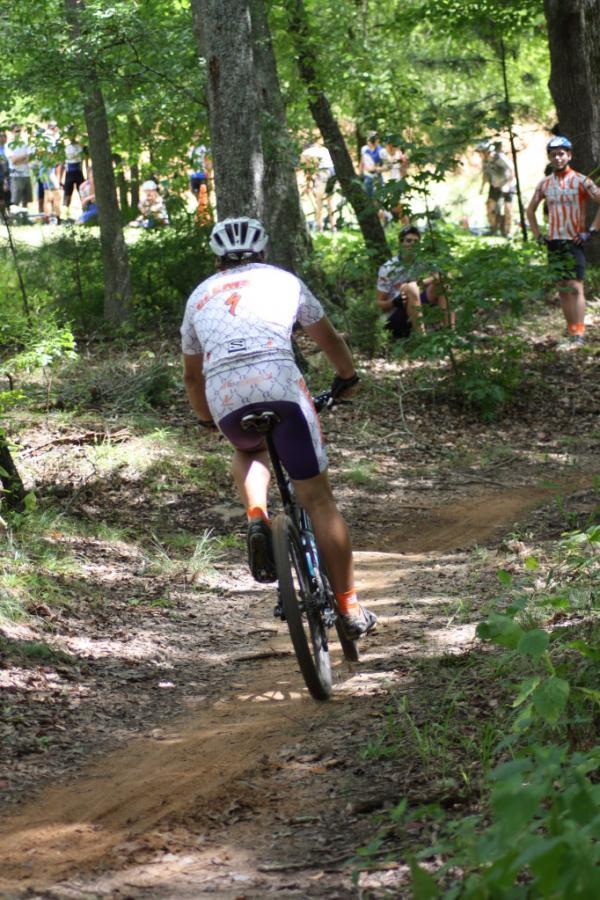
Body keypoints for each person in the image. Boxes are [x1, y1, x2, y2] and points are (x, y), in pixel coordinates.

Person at [180, 217, 377, 639]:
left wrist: (204, 419)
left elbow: (192, 378)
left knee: (249, 451)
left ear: (218, 261)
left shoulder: (199, 296)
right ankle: (350, 606)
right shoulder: (284, 281)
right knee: (319, 499)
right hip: (280, 384)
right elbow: (327, 338)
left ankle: (257, 516)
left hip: (225, 395)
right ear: (263, 253)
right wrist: (347, 377)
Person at [527, 135, 600, 348]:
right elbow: (530, 210)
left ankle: (580, 332)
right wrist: (538, 235)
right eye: (553, 154)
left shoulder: (581, 180)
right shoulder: (545, 183)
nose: (558, 158)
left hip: (574, 240)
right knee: (562, 287)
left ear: (569, 155)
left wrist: (591, 230)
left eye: (561, 154)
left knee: (576, 286)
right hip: (554, 241)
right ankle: (571, 330)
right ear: (549, 158)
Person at [376, 225, 452, 338]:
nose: (412, 244)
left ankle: (450, 333)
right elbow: (378, 304)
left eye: (416, 241)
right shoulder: (388, 268)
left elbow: (446, 275)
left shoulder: (422, 262)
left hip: (416, 305)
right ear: (400, 244)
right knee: (412, 288)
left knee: (443, 285)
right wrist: (394, 302)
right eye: (408, 240)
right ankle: (422, 338)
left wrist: (420, 283)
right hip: (395, 315)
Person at [477, 139, 516, 236]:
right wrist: (482, 187)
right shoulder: (484, 161)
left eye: (480, 152)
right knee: (490, 206)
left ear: (486, 151)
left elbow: (512, 171)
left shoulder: (500, 158)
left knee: (508, 208)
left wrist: (506, 185)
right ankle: (493, 228)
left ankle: (508, 231)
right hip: (495, 185)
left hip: (508, 184)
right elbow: (485, 175)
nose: (479, 155)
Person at [300, 141, 336, 232]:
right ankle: (333, 226)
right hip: (333, 172)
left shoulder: (307, 152)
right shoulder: (324, 149)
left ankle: (320, 227)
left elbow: (307, 167)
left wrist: (309, 181)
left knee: (319, 200)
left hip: (324, 172)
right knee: (330, 200)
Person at [6, 125, 33, 210]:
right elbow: (13, 161)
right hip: (15, 175)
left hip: (26, 174)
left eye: (19, 131)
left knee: (26, 199)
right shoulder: (8, 145)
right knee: (15, 199)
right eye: (16, 131)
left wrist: (19, 159)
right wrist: (24, 156)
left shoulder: (25, 144)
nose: (18, 133)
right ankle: (14, 218)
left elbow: (29, 158)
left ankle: (24, 218)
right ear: (12, 132)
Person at [63, 133, 86, 219]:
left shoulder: (81, 146)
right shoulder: (66, 147)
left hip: (79, 171)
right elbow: (63, 162)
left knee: (82, 193)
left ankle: (85, 212)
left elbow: (85, 160)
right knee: (67, 194)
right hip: (69, 172)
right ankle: (65, 214)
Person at [188, 143, 213, 225]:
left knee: (205, 199)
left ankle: (208, 222)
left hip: (203, 176)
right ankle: (201, 222)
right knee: (198, 199)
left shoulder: (205, 147)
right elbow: (189, 165)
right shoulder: (191, 148)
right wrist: (189, 180)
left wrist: (208, 178)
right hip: (193, 176)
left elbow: (208, 162)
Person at [359, 131, 385, 200]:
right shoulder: (364, 149)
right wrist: (360, 173)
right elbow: (362, 162)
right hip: (367, 177)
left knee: (380, 198)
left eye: (377, 139)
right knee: (368, 198)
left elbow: (384, 165)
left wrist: (376, 169)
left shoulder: (380, 150)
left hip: (377, 177)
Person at [0, 130, 11, 214]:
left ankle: (8, 214)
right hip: (2, 177)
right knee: (2, 198)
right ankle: (3, 215)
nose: (3, 138)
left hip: (9, 176)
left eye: (4, 136)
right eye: (1, 136)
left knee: (8, 197)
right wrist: (5, 180)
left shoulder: (8, 148)